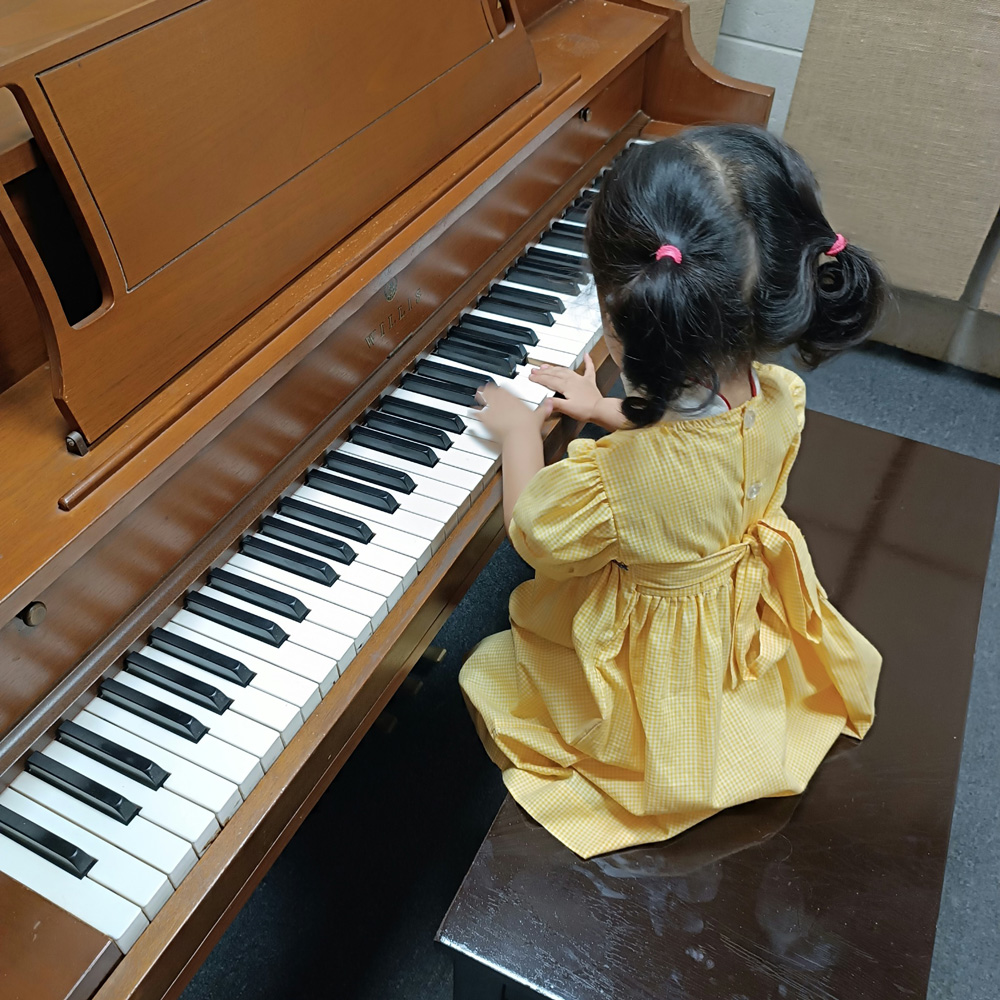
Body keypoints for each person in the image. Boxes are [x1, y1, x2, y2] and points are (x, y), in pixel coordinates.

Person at [459, 124, 887, 859]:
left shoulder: (620, 478)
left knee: (491, 671)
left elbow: (537, 537)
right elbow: (693, 432)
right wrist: (604, 408)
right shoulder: (778, 394)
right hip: (736, 617)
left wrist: (519, 437)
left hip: (655, 665)